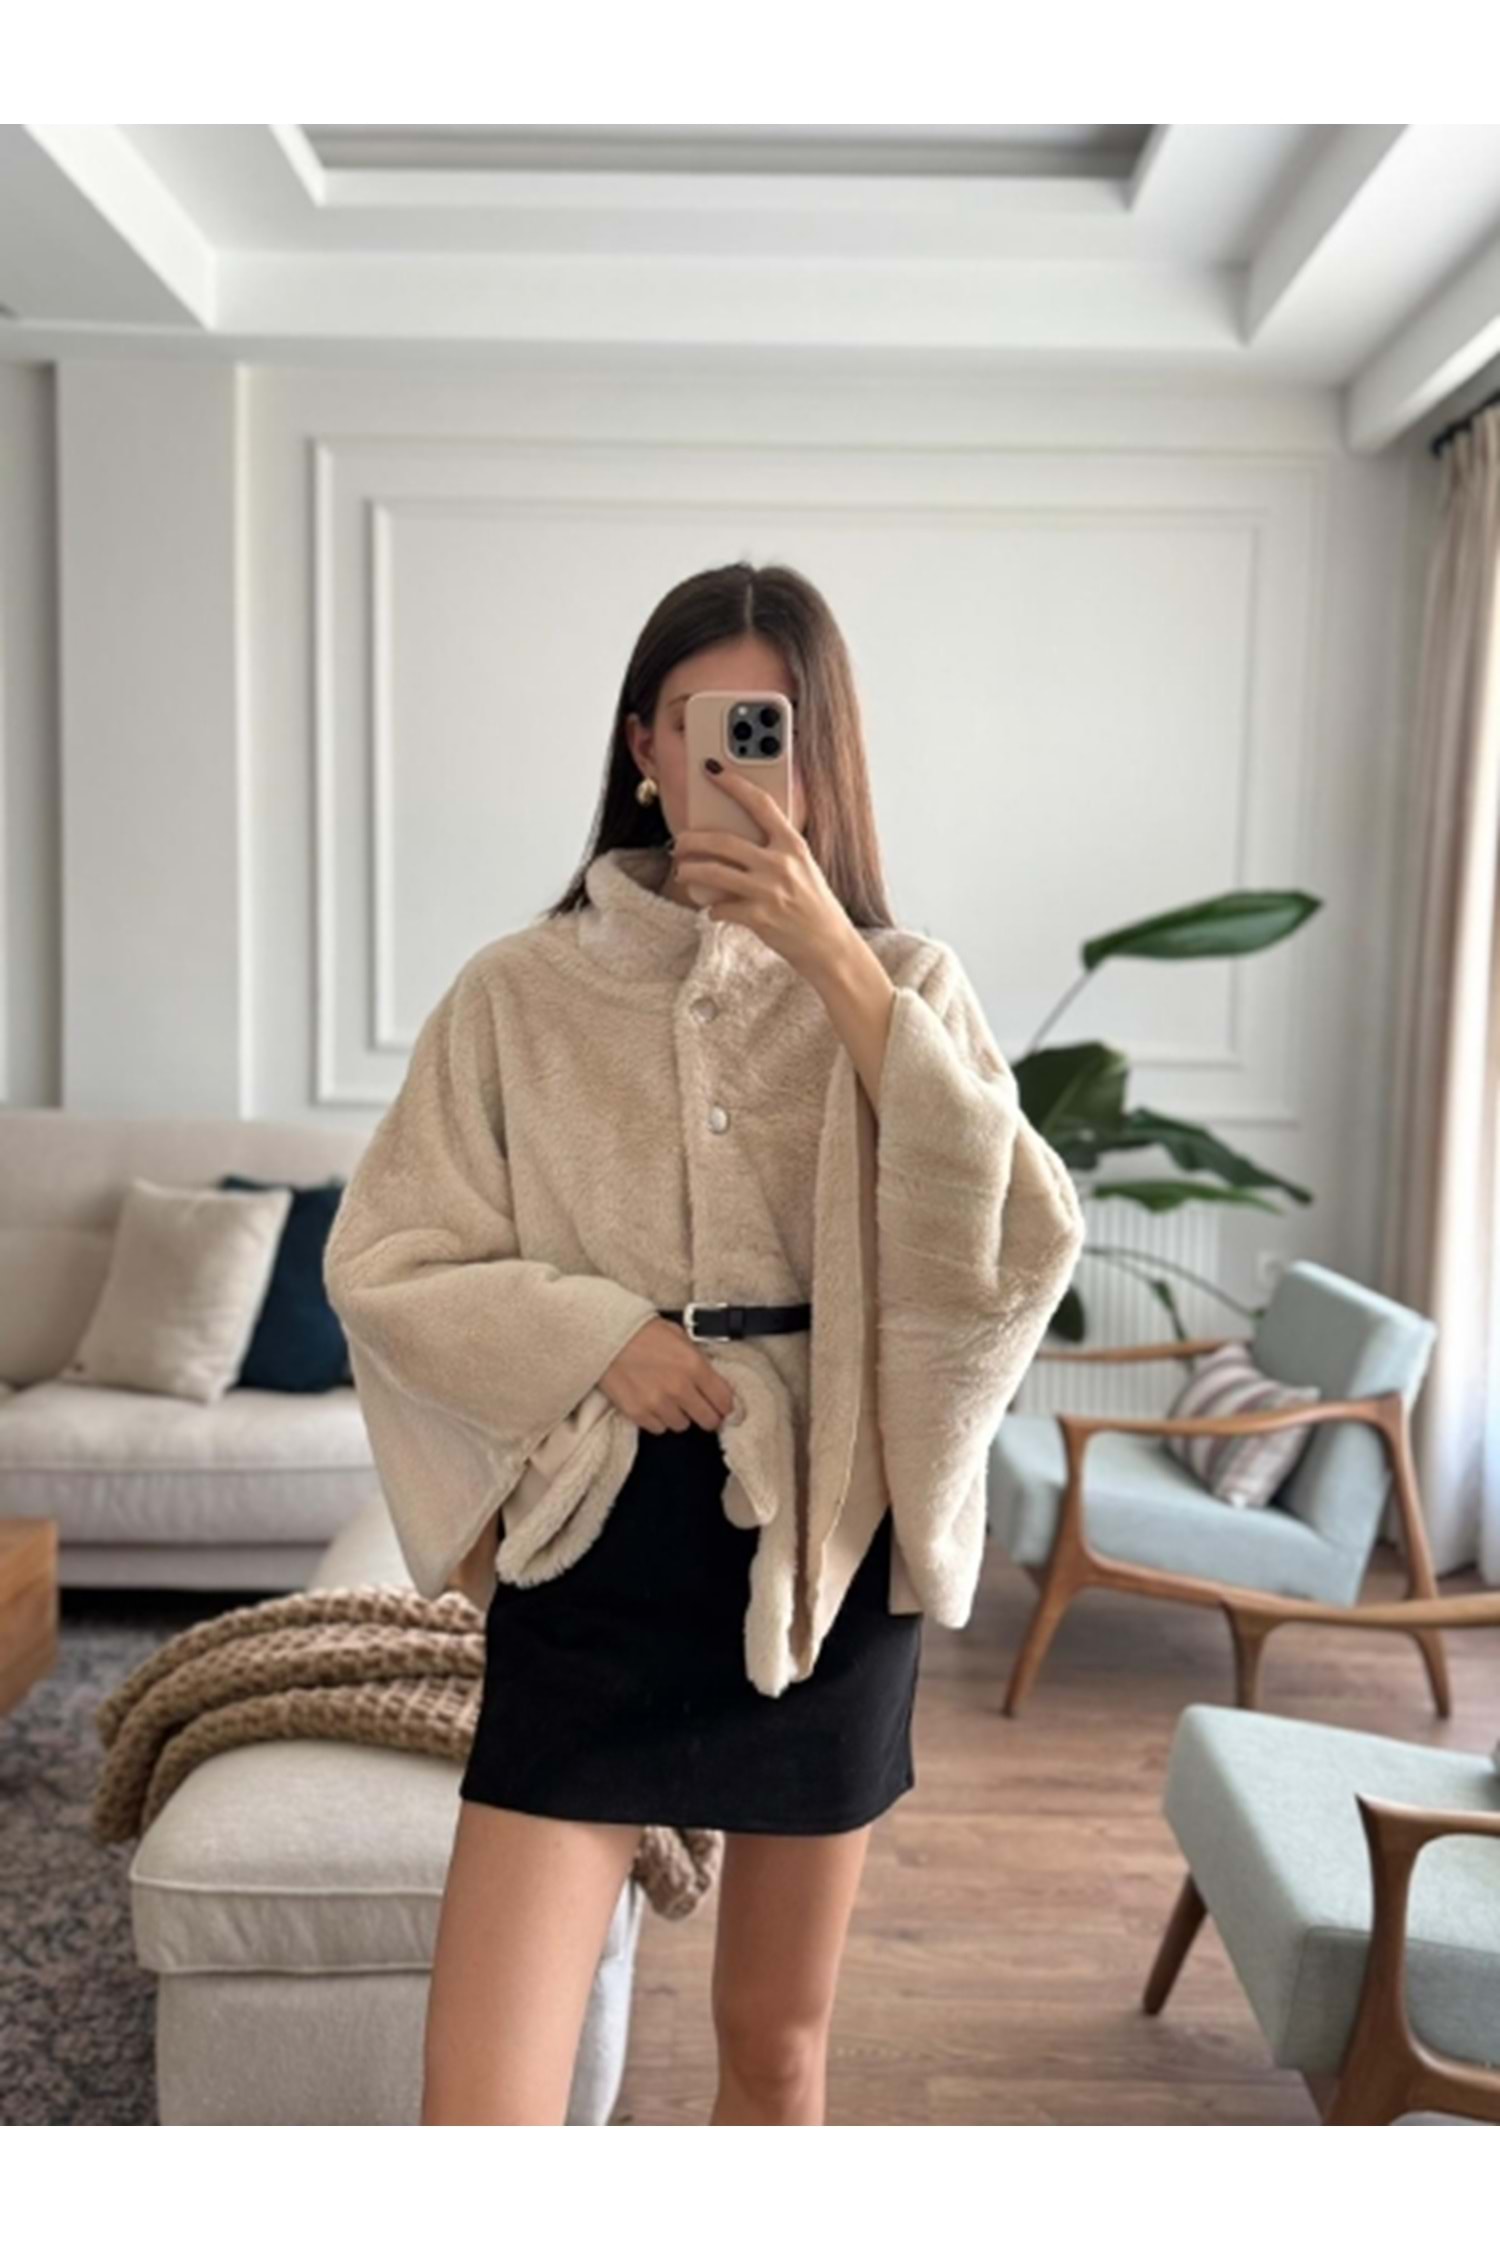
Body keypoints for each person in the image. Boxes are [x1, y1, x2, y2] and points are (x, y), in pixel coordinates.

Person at [323, 559, 1086, 2125]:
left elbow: (1015, 1237)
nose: (739, 759)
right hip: (598, 1545)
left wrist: (835, 963)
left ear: (824, 755)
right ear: (644, 748)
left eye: (776, 726)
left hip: (823, 1555)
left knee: (775, 2048)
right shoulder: (517, 992)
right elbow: (386, 1257)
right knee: (480, 2107)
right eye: (705, 720)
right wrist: (595, 1332)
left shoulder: (907, 985)